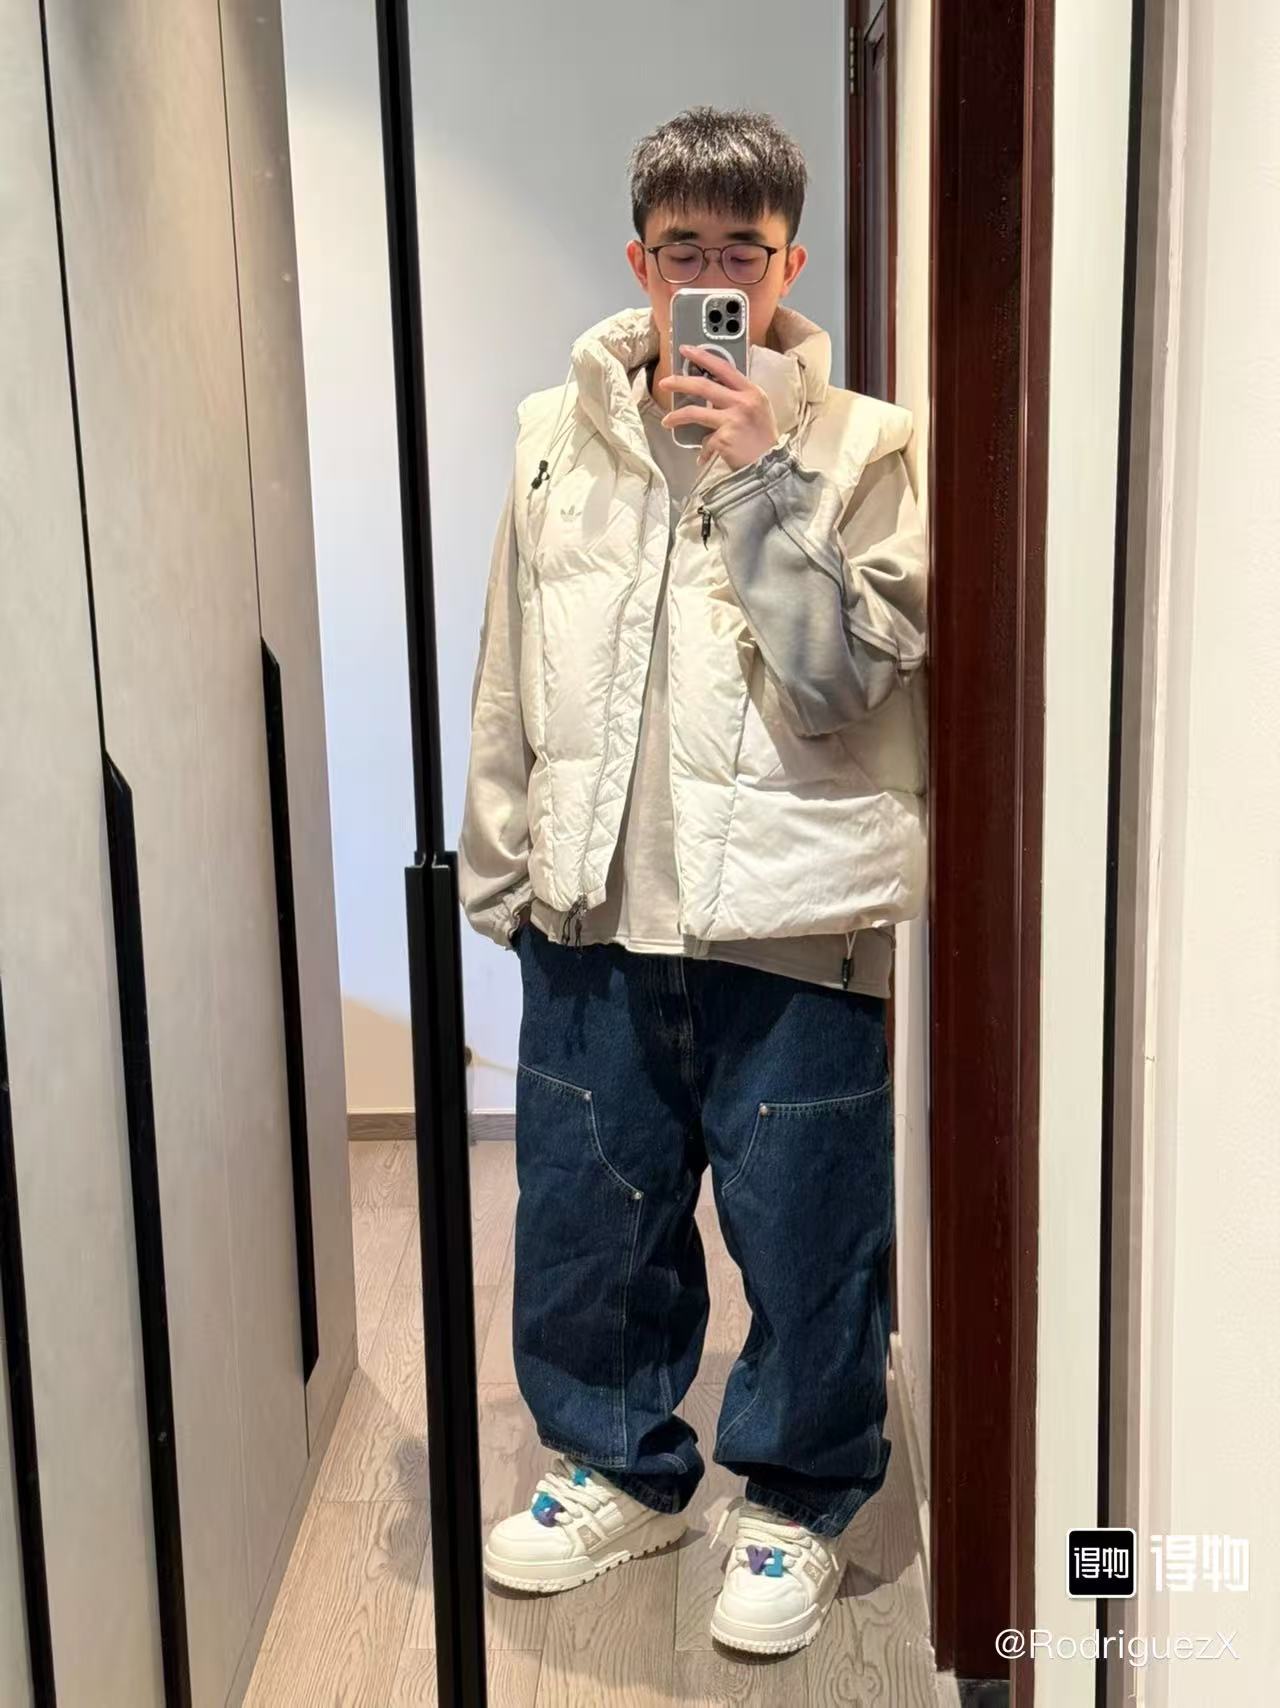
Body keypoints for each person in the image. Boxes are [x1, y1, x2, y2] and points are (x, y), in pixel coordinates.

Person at [457, 104, 928, 1657]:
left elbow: (846, 681)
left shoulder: (866, 446)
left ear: (790, 263)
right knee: (588, 1218)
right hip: (593, 907)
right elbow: (513, 665)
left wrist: (758, 476)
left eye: (744, 249)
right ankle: (617, 1465)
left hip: (795, 920)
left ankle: (797, 1497)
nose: (711, 277)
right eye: (683, 251)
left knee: (806, 1230)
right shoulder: (555, 432)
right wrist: (505, 865)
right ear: (640, 261)